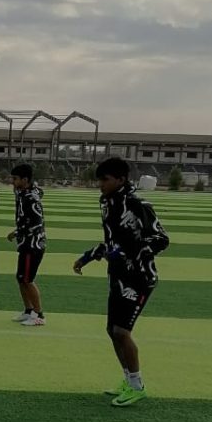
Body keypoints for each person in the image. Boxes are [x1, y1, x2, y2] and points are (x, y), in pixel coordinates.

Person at [74, 157, 170, 407]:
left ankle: (137, 386)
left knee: (121, 331)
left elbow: (160, 239)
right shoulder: (108, 203)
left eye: (105, 180)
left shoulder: (137, 204)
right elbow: (112, 241)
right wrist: (88, 256)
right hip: (117, 276)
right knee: (111, 331)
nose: (100, 184)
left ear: (121, 179)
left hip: (139, 278)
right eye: (99, 180)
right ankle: (128, 380)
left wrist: (129, 253)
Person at [7, 163, 46, 325]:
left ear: (25, 180)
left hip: (33, 245)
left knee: (28, 279)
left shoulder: (31, 198)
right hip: (25, 243)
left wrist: (19, 231)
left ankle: (39, 315)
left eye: (15, 179)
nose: (13, 182)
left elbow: (37, 222)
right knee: (21, 278)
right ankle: (28, 310)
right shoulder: (23, 194)